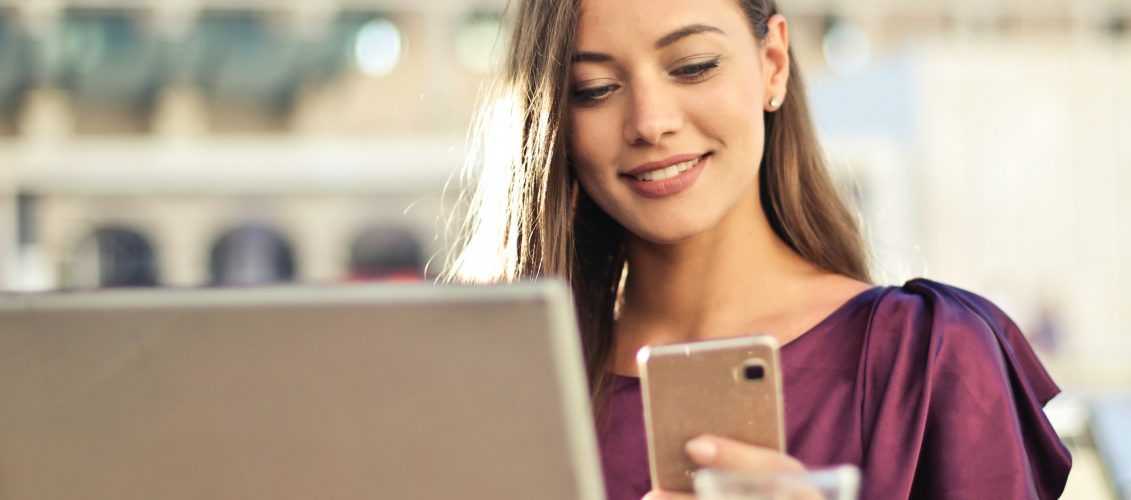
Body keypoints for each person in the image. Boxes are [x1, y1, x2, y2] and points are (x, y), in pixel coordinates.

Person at [443, 0, 1073, 498]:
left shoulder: (931, 356)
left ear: (773, 63)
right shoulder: (500, 390)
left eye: (692, 66)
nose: (650, 122)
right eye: (595, 88)